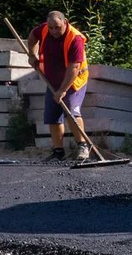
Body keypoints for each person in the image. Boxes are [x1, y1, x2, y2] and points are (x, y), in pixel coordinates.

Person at [26, 11, 91, 162]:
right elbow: (32, 36)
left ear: (65, 22)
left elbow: (74, 67)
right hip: (52, 81)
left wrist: (62, 90)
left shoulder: (75, 38)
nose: (54, 31)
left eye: (57, 27)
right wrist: (31, 54)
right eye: (51, 28)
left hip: (74, 80)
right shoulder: (43, 29)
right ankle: (58, 152)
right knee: (52, 115)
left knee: (72, 110)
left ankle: (83, 146)